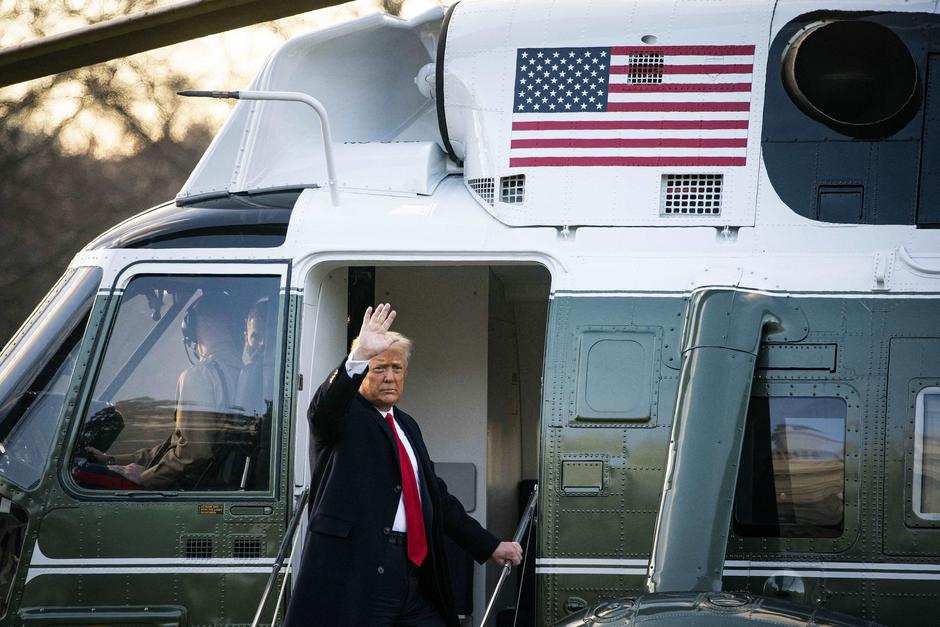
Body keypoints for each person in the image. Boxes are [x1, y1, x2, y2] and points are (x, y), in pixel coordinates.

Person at [284, 303, 523, 627]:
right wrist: (358, 357)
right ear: (363, 373)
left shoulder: (407, 425)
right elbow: (324, 408)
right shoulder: (343, 417)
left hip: (412, 573)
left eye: (397, 369)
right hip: (359, 573)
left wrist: (490, 545)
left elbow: (437, 499)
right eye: (379, 368)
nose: (389, 377)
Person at [85, 292, 242, 489]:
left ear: (193, 327)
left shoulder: (199, 376)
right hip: (215, 484)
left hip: (192, 489)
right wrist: (112, 460)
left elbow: (194, 452)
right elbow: (178, 444)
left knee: (83, 475)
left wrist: (147, 477)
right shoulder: (242, 372)